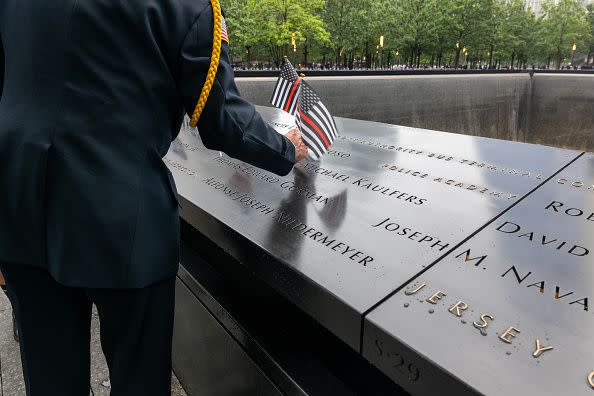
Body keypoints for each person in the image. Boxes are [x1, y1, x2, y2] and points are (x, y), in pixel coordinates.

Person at [0, 1, 308, 395]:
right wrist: (285, 149)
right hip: (121, 214)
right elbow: (222, 119)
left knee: (50, 380)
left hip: (21, 203)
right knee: (139, 379)